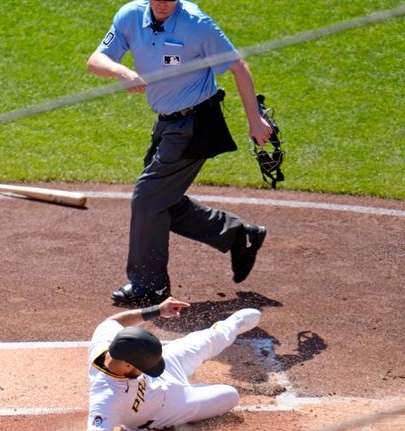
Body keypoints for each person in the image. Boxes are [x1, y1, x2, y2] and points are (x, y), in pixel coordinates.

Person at [87, 0, 272, 308]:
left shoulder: (196, 23)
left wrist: (255, 119)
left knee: (148, 198)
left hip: (196, 122)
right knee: (161, 204)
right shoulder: (131, 15)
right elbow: (96, 59)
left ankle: (151, 287)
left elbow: (238, 66)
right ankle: (237, 235)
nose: (163, 2)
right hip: (167, 122)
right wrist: (121, 71)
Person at [87, 296, 262, 430]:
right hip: (169, 409)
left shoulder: (105, 345)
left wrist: (157, 310)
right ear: (128, 365)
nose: (148, 370)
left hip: (169, 366)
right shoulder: (106, 400)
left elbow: (112, 322)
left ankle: (231, 326)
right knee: (230, 395)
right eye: (145, 369)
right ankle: (195, 391)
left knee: (208, 339)